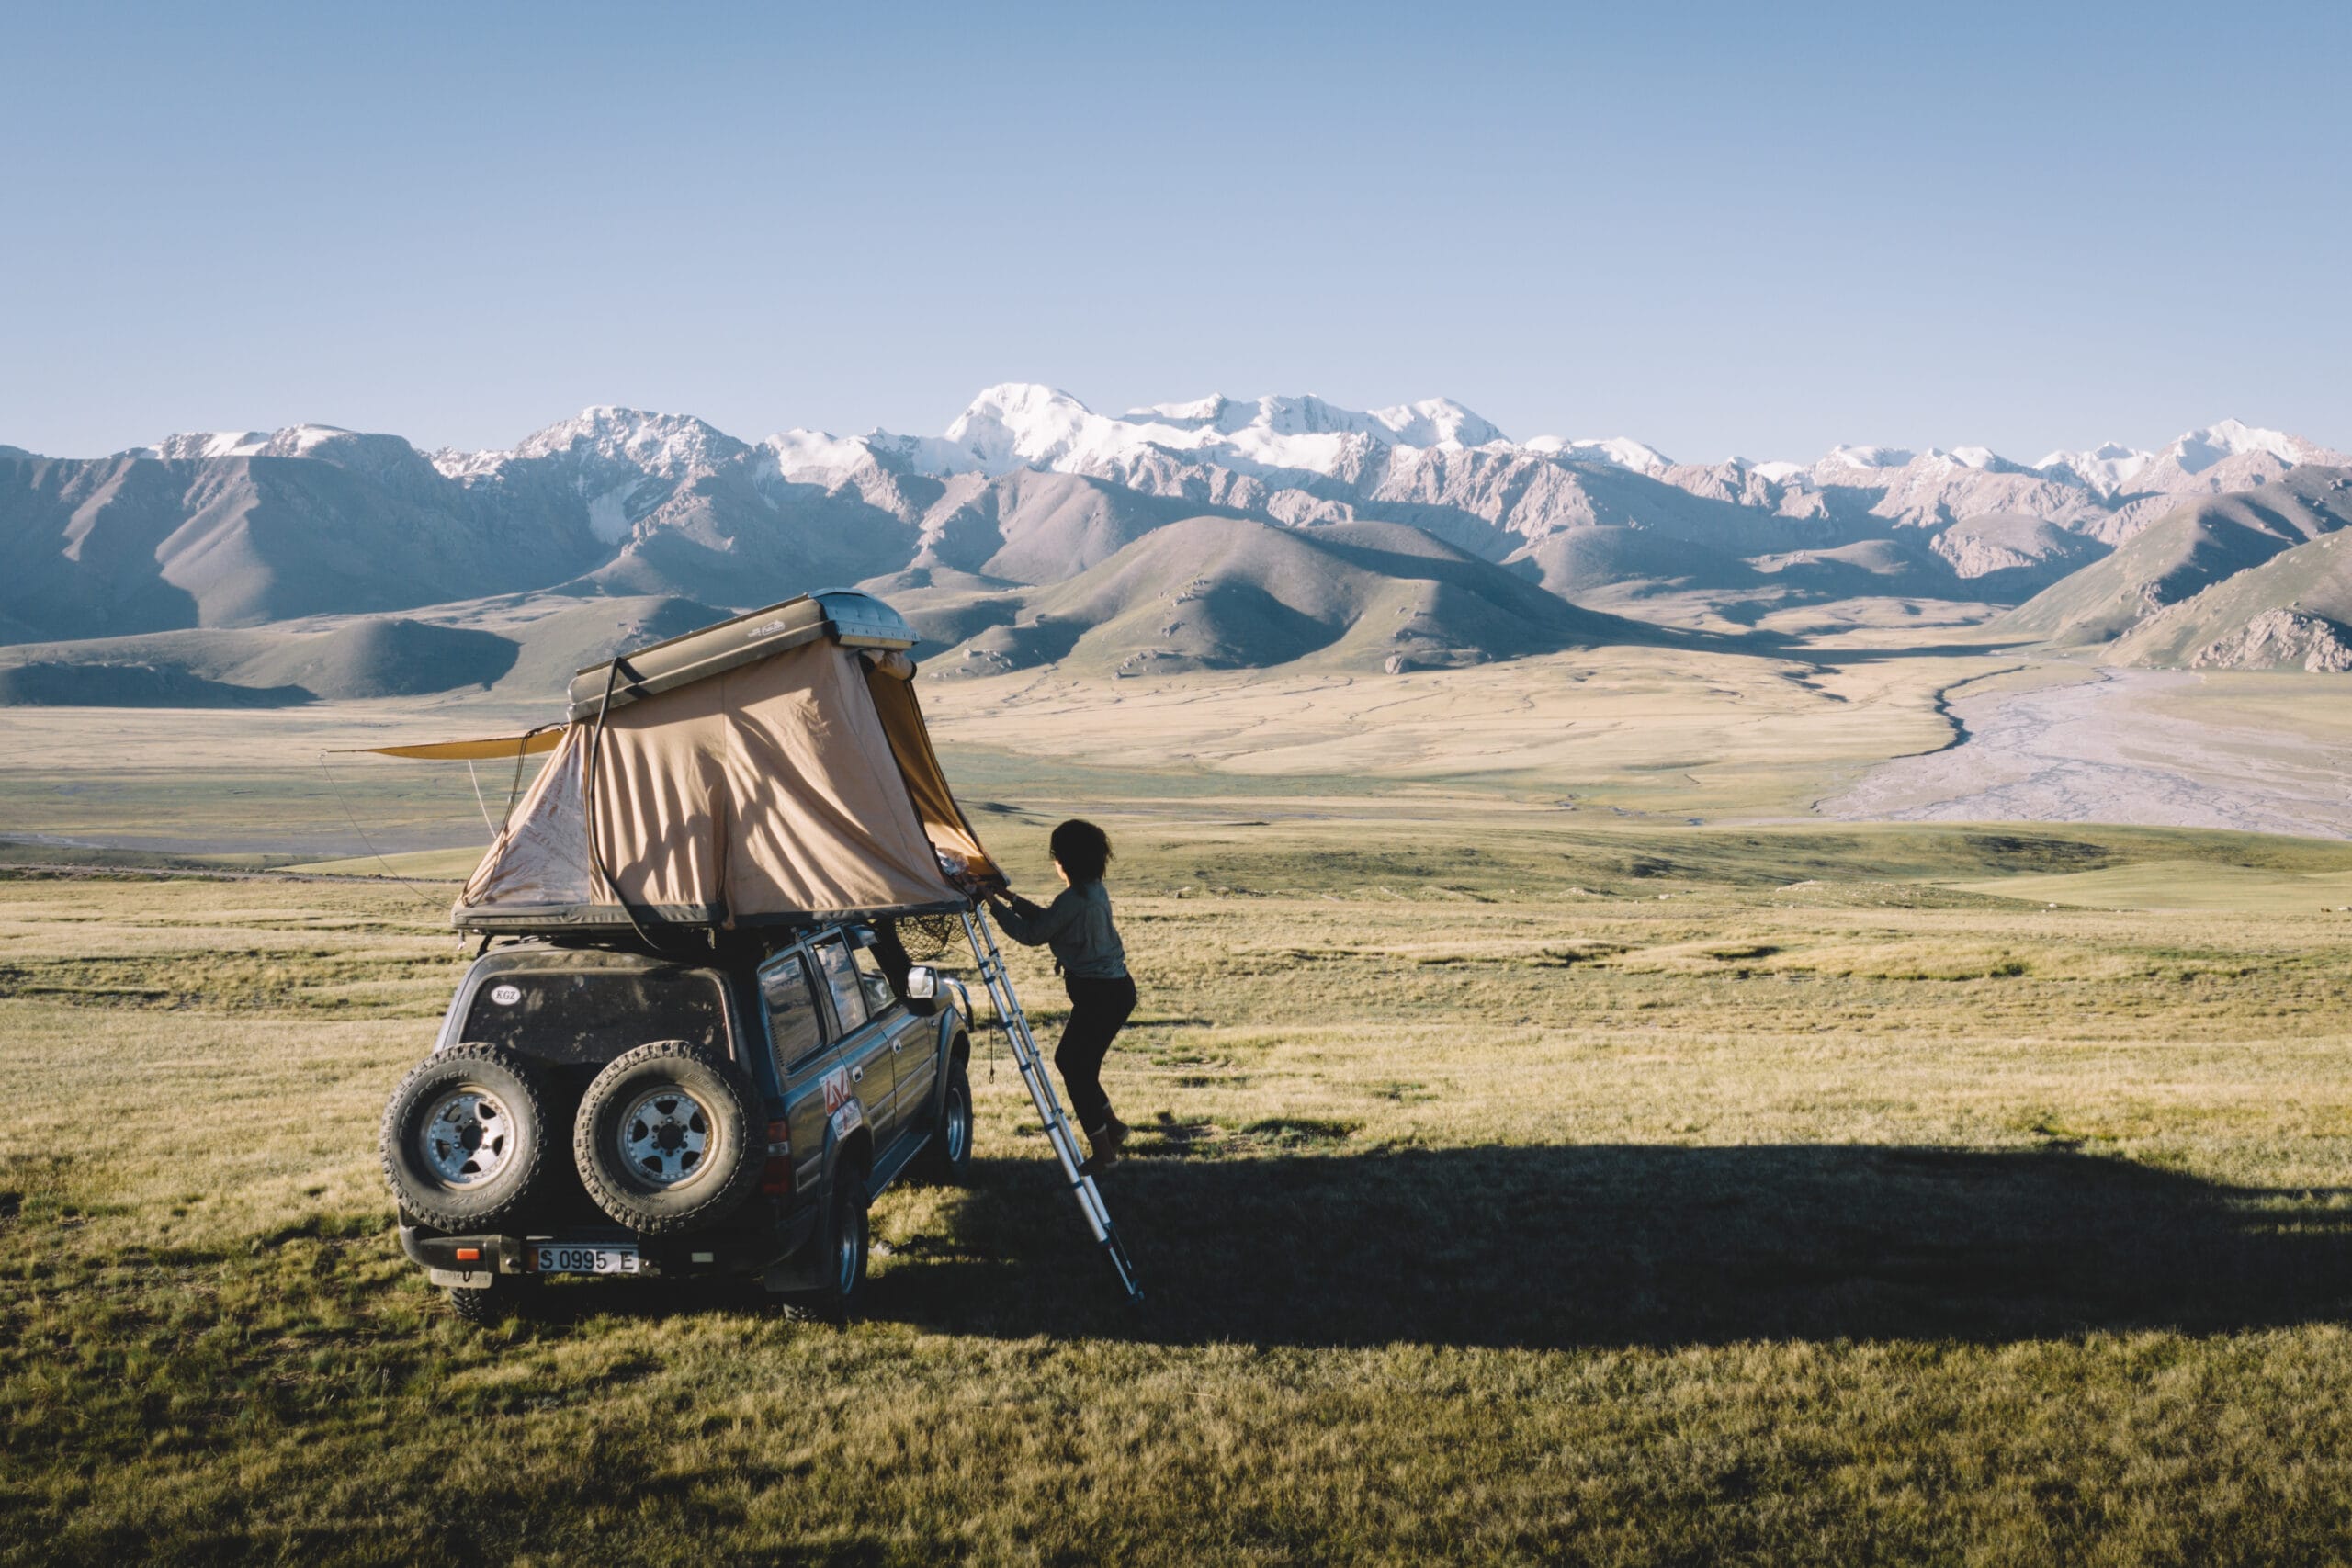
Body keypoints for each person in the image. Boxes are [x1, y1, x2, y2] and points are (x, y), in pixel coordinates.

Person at [987, 819, 1136, 1173]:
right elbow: (1052, 920)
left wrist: (991, 904)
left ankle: (1104, 1154)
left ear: (1064, 861)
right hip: (1113, 993)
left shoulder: (1075, 898)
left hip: (1100, 996)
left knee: (1074, 1067)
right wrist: (1008, 898)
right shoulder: (1091, 890)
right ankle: (1111, 1128)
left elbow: (1032, 934)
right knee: (1079, 1064)